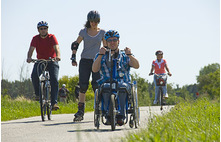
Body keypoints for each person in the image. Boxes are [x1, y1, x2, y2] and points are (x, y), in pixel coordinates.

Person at [92, 30, 139, 126]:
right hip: (106, 81)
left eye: (114, 40)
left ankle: (121, 115)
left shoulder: (125, 55)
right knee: (105, 88)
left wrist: (130, 55)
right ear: (106, 42)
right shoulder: (100, 55)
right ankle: (107, 115)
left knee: (121, 87)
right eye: (109, 40)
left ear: (118, 41)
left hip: (123, 82)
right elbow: (94, 69)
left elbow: (137, 65)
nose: (112, 42)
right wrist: (100, 55)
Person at [71, 10, 107, 121]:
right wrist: (73, 56)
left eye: (95, 21)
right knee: (83, 86)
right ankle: (80, 112)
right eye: (91, 21)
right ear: (89, 21)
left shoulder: (102, 33)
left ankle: (100, 107)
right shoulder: (84, 32)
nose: (93, 23)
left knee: (97, 85)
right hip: (85, 61)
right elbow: (75, 44)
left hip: (97, 61)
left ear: (98, 21)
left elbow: (106, 47)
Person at [27, 21, 60, 110]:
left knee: (54, 80)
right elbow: (31, 49)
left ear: (47, 29)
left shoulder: (52, 37)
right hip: (40, 61)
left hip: (51, 61)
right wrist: (29, 57)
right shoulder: (35, 38)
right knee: (34, 75)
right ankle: (38, 94)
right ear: (38, 30)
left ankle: (54, 103)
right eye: (41, 29)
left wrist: (58, 56)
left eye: (45, 28)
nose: (43, 30)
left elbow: (56, 47)